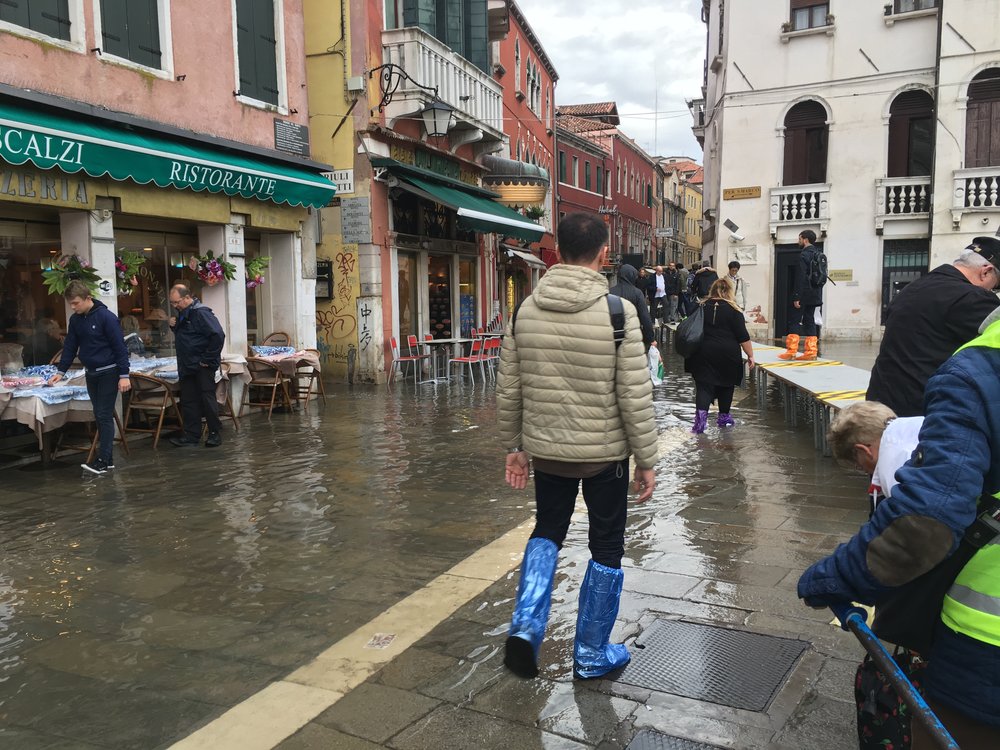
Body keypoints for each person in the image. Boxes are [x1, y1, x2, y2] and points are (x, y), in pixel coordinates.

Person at [798, 315, 1000, 749]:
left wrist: (836, 576)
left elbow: (921, 528)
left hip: (985, 641)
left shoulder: (979, 365)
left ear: (863, 451)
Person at [496, 211, 658, 681]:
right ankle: (590, 655)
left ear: (557, 253)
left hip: (547, 453)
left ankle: (527, 625)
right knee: (606, 545)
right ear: (604, 253)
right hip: (605, 457)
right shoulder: (617, 312)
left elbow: (510, 387)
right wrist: (646, 459)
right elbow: (634, 392)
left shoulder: (525, 309)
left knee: (547, 529)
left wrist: (514, 446)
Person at [827, 401, 926, 750]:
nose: (863, 469)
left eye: (858, 462)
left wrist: (842, 576)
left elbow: (907, 545)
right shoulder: (920, 430)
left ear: (863, 449)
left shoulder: (899, 465)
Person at [866, 237, 1000, 417]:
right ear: (986, 272)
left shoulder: (912, 288)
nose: (992, 291)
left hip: (880, 403)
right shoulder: (974, 298)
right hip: (925, 412)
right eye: (995, 287)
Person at [47, 280, 131, 475]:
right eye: (70, 304)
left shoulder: (106, 317)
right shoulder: (76, 320)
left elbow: (120, 347)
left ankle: (102, 460)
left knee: (103, 414)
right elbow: (70, 347)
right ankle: (108, 460)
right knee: (100, 414)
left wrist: (124, 375)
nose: (73, 307)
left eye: (76, 303)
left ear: (88, 298)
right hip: (91, 372)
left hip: (109, 371)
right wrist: (61, 371)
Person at [683, 277, 754, 433]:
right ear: (729, 291)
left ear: (712, 289)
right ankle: (723, 419)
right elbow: (743, 337)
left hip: (702, 352)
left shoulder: (700, 307)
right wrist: (750, 356)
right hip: (727, 354)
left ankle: (700, 422)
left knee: (703, 386)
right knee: (726, 385)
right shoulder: (735, 311)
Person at [167, 283, 225, 448]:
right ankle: (192, 435)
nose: (175, 306)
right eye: (172, 303)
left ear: (187, 297)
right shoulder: (184, 314)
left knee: (207, 398)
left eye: (177, 302)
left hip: (202, 365)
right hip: (187, 364)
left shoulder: (201, 313)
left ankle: (214, 433)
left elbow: (218, 335)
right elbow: (188, 337)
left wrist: (206, 360)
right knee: (189, 400)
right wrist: (174, 327)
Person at [779, 230, 824, 361]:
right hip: (815, 293)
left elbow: (800, 277)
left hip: (803, 293)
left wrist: (797, 296)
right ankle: (811, 352)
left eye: (799, 239)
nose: (798, 241)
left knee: (794, 320)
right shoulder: (818, 254)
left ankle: (791, 351)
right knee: (810, 320)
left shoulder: (804, 255)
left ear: (805, 240)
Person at [610, 264, 655, 351]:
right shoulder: (637, 293)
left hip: (614, 336)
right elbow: (645, 318)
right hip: (633, 335)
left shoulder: (610, 292)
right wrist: (650, 339)